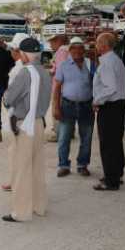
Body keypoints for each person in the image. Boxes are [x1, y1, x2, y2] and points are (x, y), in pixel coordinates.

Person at [2, 37, 51, 222]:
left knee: (22, 169)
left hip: (25, 125)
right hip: (39, 122)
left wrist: (6, 99)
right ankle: (39, 206)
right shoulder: (45, 72)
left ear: (24, 54)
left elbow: (9, 99)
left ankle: (21, 212)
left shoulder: (24, 73)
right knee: (37, 167)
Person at [53, 36, 94, 177]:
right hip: (67, 105)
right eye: (74, 48)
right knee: (64, 137)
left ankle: (82, 165)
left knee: (86, 138)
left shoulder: (90, 64)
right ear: (69, 50)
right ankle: (63, 165)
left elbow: (96, 84)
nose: (77, 51)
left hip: (87, 106)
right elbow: (57, 87)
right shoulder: (63, 66)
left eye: (80, 48)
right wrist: (55, 107)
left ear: (84, 50)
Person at [92, 33, 125, 191]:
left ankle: (111, 180)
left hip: (110, 106)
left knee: (108, 143)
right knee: (115, 142)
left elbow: (110, 87)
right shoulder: (116, 60)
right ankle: (116, 173)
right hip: (117, 105)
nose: (96, 46)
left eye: (98, 43)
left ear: (104, 45)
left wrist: (97, 100)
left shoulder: (107, 63)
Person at [1, 32, 30, 192]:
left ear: (17, 51)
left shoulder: (18, 70)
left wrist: (6, 100)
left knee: (16, 151)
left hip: (17, 116)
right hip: (31, 115)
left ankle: (16, 182)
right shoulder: (33, 67)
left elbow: (11, 97)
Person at [47, 34, 69, 143]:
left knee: (57, 109)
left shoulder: (61, 51)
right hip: (66, 87)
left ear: (58, 41)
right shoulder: (67, 50)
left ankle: (58, 133)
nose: (50, 45)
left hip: (59, 87)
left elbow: (60, 70)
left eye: (51, 42)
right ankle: (68, 132)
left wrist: (50, 71)